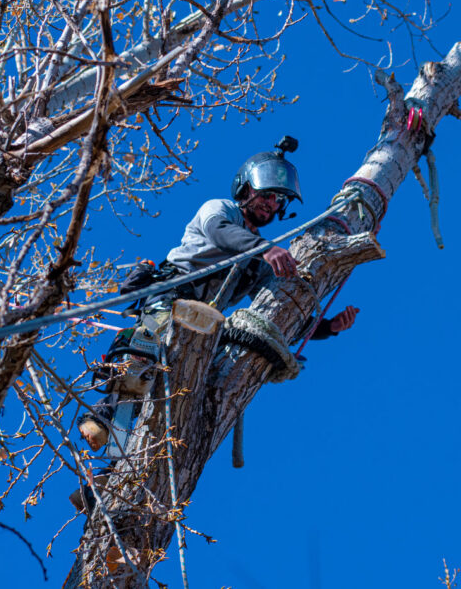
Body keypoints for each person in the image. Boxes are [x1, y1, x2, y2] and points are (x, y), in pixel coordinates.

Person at [77, 137, 359, 452]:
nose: (270, 203)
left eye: (277, 200)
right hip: (172, 294)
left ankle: (115, 469)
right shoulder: (221, 210)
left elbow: (279, 310)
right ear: (246, 190)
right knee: (144, 355)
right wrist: (265, 249)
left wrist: (327, 328)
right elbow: (219, 233)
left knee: (165, 396)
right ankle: (103, 415)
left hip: (202, 328)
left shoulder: (258, 263)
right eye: (265, 195)